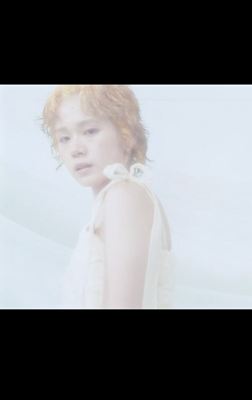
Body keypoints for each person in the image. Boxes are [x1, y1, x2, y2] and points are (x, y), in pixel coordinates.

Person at [41, 85, 175, 309]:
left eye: (90, 131)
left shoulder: (124, 195)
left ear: (127, 135)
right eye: (64, 138)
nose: (75, 149)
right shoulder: (121, 197)